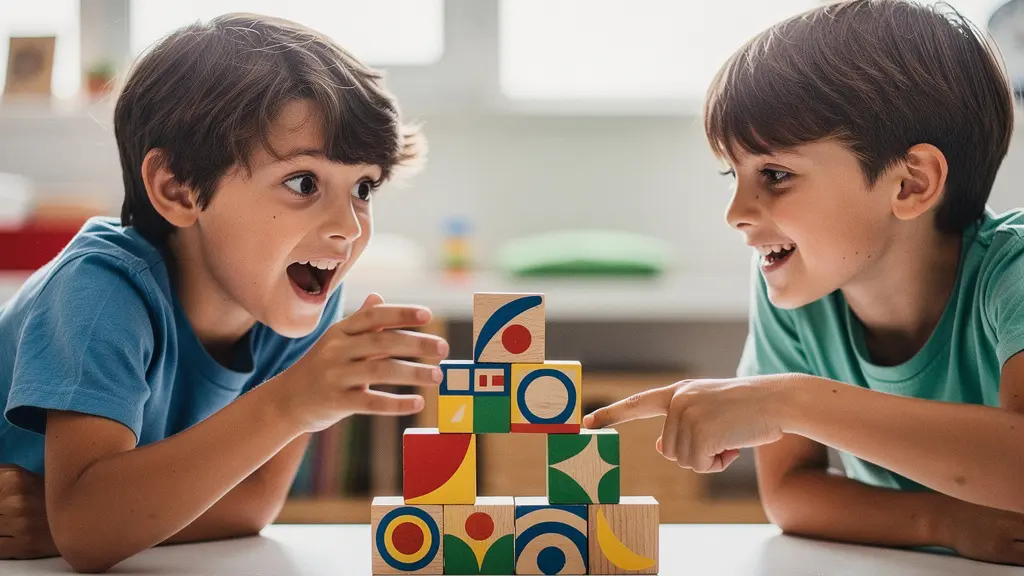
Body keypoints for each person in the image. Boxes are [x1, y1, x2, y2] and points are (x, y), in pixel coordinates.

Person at [0, 13, 447, 572]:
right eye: (304, 182)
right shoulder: (99, 292)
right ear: (177, 189)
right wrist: (289, 401)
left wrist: (86, 522)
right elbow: (88, 535)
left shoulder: (300, 296)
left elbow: (253, 503)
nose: (349, 227)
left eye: (363, 187)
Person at [586, 0, 1024, 565]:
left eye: (775, 174)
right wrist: (947, 521)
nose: (735, 213)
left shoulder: (1012, 272)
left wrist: (787, 400)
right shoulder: (797, 284)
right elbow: (789, 493)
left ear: (910, 184)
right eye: (732, 174)